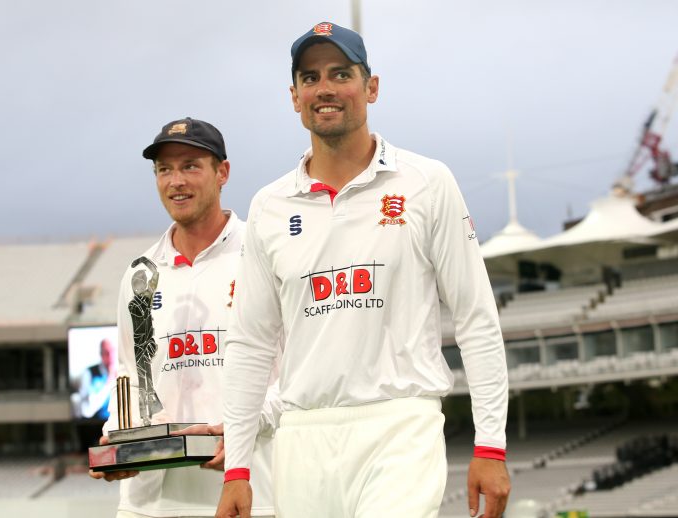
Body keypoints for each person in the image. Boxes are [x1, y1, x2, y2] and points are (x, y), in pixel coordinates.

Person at [217, 22, 511, 518]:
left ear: (371, 87)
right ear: (294, 96)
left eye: (341, 74)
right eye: (310, 78)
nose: (325, 89)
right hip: (302, 436)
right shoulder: (268, 206)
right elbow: (250, 343)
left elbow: (475, 317)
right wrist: (238, 469)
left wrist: (491, 445)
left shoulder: (426, 182)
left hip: (400, 424)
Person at [90, 118, 276, 518]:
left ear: (222, 172)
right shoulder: (140, 272)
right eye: (164, 169)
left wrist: (244, 427)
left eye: (191, 165)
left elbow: (294, 371)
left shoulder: (262, 254)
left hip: (250, 489)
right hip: (150, 503)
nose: (176, 181)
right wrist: (116, 442)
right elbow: (129, 373)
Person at [77, 338, 116, 419]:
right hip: (94, 425)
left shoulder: (122, 372)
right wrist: (109, 382)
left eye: (112, 351)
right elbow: (87, 411)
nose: (111, 356)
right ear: (101, 355)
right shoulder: (88, 373)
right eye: (106, 352)